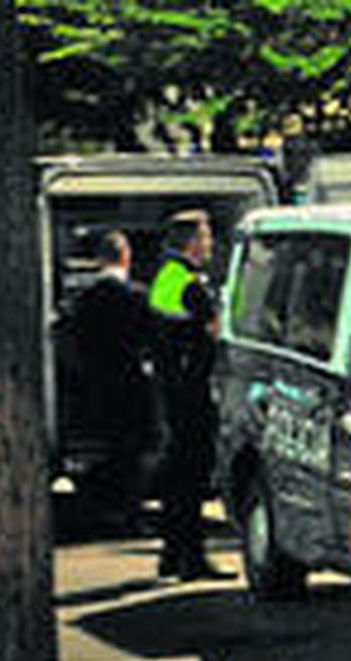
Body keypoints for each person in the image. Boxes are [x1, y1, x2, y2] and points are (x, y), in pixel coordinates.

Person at [148, 210, 231, 580]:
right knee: (192, 479)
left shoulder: (166, 276)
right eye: (206, 236)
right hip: (192, 393)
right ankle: (192, 559)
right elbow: (215, 329)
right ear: (193, 242)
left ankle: (172, 555)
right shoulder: (189, 282)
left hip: (171, 390)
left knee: (176, 476)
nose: (210, 243)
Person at [68, 230, 155, 530]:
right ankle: (129, 513)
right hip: (131, 385)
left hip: (96, 387)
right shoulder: (137, 296)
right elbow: (152, 339)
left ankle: (103, 505)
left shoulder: (84, 300)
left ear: (99, 260)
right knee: (134, 453)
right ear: (126, 257)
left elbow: (73, 341)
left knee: (110, 448)